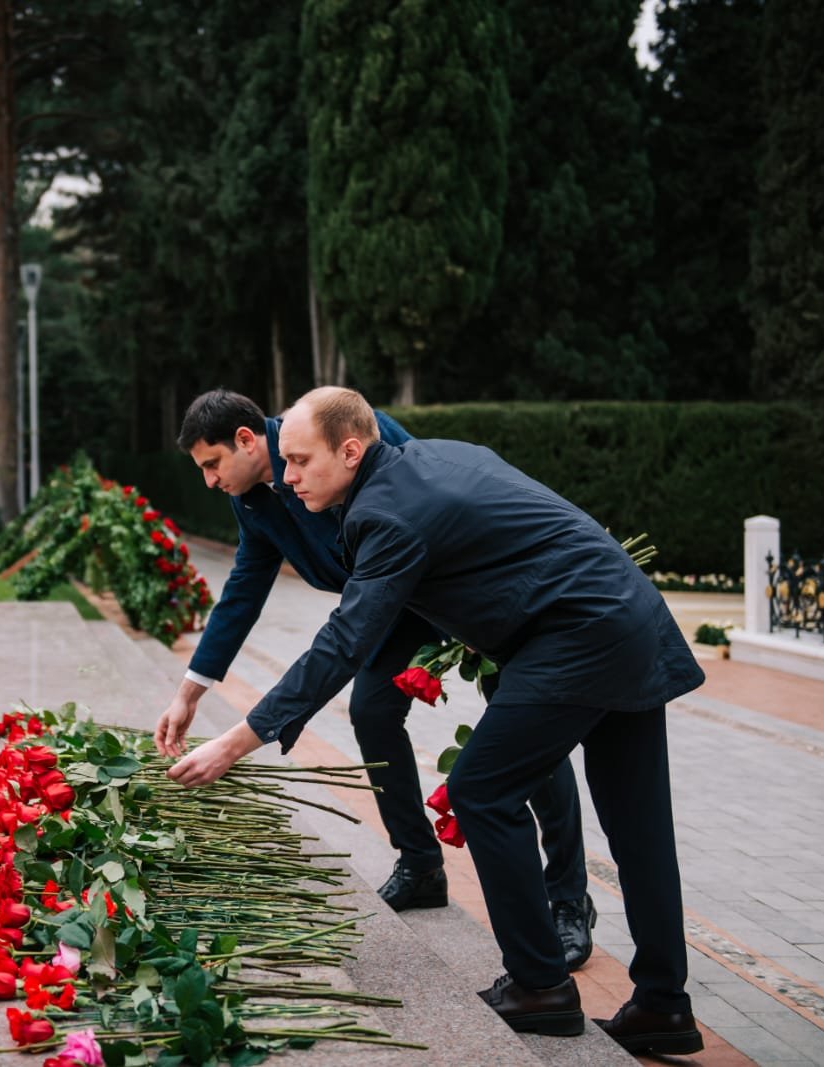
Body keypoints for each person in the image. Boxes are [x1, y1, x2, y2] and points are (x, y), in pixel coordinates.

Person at [167, 387, 706, 1055]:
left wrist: (236, 739)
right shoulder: (426, 462)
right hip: (624, 614)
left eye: (301, 460)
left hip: (579, 633)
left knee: (483, 788)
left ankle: (541, 985)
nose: (291, 475)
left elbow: (345, 640)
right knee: (639, 827)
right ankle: (663, 1004)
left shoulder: (385, 513)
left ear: (351, 450)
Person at [154, 389, 596, 970]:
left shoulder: (340, 432)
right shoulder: (255, 500)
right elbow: (243, 589)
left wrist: (470, 601)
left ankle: (567, 897)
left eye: (212, 465)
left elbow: (434, 500)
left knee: (524, 718)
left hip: (455, 588)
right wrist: (190, 693)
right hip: (385, 604)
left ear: (243, 440)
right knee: (371, 711)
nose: (210, 481)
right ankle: (420, 864)